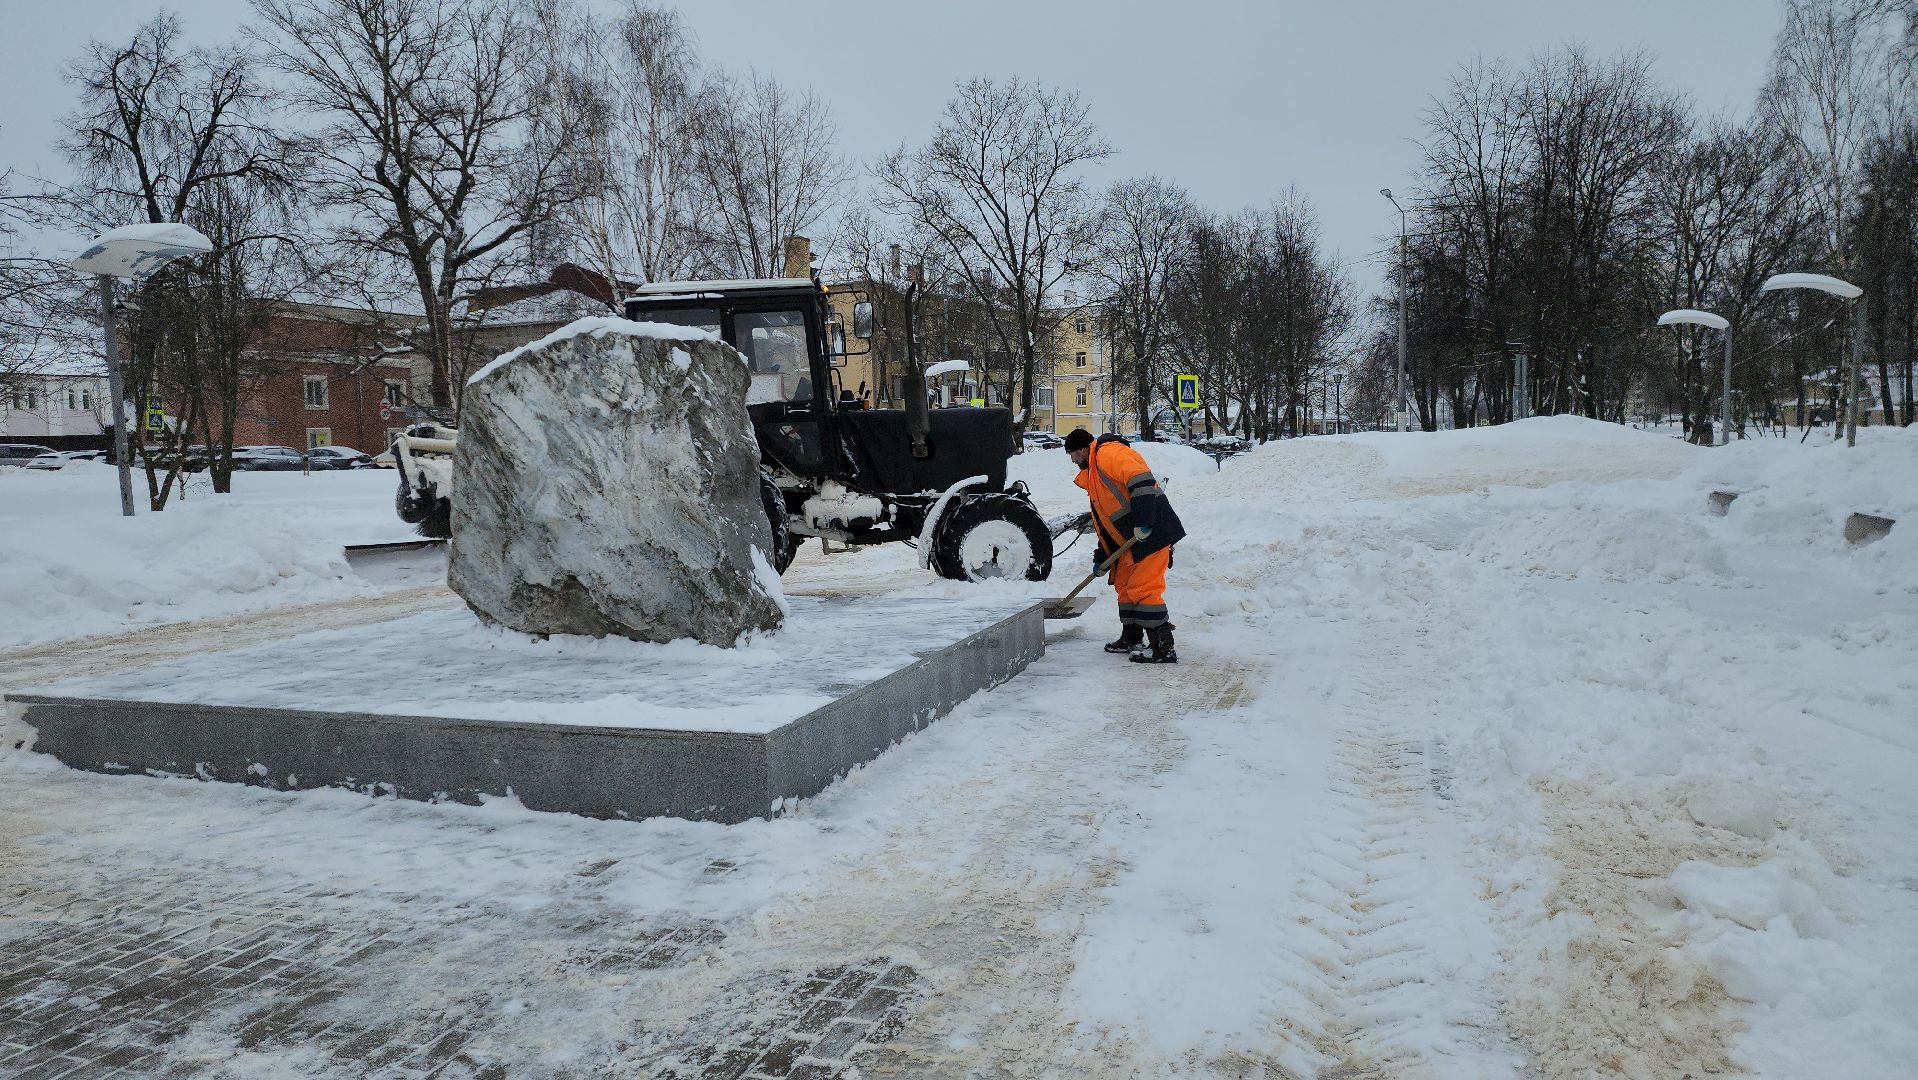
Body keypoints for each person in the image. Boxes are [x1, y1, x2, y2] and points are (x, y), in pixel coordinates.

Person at [1065, 427, 1186, 663]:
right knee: (1124, 585)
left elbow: (1142, 481)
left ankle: (1163, 648)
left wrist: (1144, 522)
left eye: (1072, 454)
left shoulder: (1108, 453)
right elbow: (1106, 524)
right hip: (1131, 540)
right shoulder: (1093, 473)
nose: (1072, 460)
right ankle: (1131, 638)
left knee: (1143, 589)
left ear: (1081, 449)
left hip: (1153, 532)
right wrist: (1102, 557)